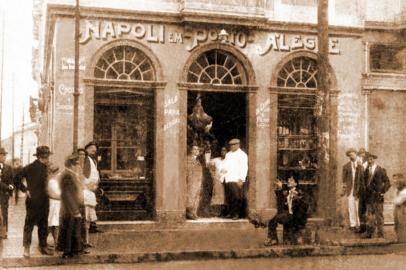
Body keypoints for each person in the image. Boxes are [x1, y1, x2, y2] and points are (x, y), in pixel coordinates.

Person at [19, 146, 53, 257]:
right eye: (47, 156)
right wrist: (25, 190)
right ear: (43, 156)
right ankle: (27, 249)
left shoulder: (46, 168)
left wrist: (25, 190)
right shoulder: (30, 168)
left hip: (44, 200)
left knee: (43, 224)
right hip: (33, 201)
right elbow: (16, 178)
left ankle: (43, 246)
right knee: (29, 224)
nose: (48, 158)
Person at [57, 154, 87, 258]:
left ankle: (74, 250)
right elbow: (67, 194)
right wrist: (75, 210)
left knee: (73, 229)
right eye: (76, 164)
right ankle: (68, 251)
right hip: (69, 208)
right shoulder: (67, 175)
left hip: (72, 206)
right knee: (69, 230)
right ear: (71, 165)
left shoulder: (71, 174)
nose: (78, 166)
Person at [265, 177, 308, 246]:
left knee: (275, 220)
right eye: (288, 180)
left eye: (291, 180)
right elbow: (280, 204)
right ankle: (273, 239)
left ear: (296, 183)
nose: (289, 181)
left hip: (296, 216)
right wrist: (279, 189)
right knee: (272, 220)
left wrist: (297, 198)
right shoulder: (287, 193)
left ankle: (273, 239)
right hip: (288, 215)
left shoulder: (299, 192)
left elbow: (303, 206)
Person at [360, 153, 390, 239]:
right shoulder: (365, 171)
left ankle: (380, 235)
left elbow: (388, 182)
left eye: (371, 159)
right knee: (369, 216)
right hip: (369, 198)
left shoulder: (380, 170)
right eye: (368, 160)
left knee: (379, 216)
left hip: (378, 197)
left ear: (374, 159)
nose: (369, 161)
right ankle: (369, 233)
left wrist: (382, 192)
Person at [223, 138, 248, 220]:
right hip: (228, 178)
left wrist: (241, 179)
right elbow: (225, 165)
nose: (231, 147)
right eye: (230, 145)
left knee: (236, 197)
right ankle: (231, 212)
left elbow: (244, 167)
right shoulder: (228, 154)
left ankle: (236, 214)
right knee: (229, 197)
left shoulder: (242, 155)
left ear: (238, 145)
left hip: (236, 179)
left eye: (233, 145)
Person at [341, 148, 363, 232]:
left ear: (356, 154)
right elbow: (344, 180)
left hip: (359, 189)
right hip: (350, 189)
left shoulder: (361, 164)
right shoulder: (346, 166)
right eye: (349, 155)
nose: (351, 156)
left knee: (359, 207)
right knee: (351, 207)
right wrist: (344, 189)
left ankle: (360, 224)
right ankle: (353, 225)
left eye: (353, 154)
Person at [82, 142, 102, 234]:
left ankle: (92, 226)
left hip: (94, 187)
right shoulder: (85, 159)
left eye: (95, 149)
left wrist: (97, 185)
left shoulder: (93, 160)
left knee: (92, 206)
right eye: (91, 148)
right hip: (88, 188)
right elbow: (84, 175)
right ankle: (88, 227)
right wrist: (87, 185)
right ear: (87, 149)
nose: (94, 150)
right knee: (88, 207)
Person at [207, 146, 227, 216]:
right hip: (217, 180)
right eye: (222, 151)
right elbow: (208, 164)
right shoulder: (216, 160)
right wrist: (213, 174)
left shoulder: (229, 160)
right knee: (217, 195)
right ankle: (216, 212)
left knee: (226, 196)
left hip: (227, 180)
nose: (223, 152)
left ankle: (224, 213)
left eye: (224, 151)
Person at [186, 145, 204, 220]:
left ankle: (193, 213)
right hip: (191, 182)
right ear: (191, 150)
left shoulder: (197, 160)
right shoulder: (187, 159)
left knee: (196, 197)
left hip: (197, 182)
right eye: (194, 149)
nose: (196, 151)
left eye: (198, 149)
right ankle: (190, 213)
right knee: (191, 197)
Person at [0, 147, 14, 239]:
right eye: (2, 155)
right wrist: (7, 187)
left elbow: (11, 179)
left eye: (5, 155)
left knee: (4, 213)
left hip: (4, 195)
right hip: (3, 190)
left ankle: (3, 232)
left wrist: (11, 187)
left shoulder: (8, 167)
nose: (4, 157)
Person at [47, 165, 60, 250]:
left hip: (57, 203)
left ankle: (56, 242)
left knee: (55, 223)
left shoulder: (56, 181)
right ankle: (54, 242)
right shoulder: (51, 182)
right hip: (54, 203)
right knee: (53, 222)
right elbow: (54, 194)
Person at [357, 147, 368, 233]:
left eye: (363, 154)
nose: (362, 156)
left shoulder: (368, 164)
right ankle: (362, 227)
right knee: (360, 210)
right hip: (361, 191)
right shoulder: (358, 165)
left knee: (367, 210)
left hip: (367, 191)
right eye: (360, 154)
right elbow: (357, 179)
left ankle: (368, 228)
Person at [394, 176, 406, 243]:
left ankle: (402, 240)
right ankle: (399, 239)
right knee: (397, 224)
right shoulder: (398, 191)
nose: (396, 186)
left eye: (398, 184)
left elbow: (398, 201)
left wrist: (396, 200)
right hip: (398, 209)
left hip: (402, 209)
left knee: (402, 224)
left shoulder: (404, 192)